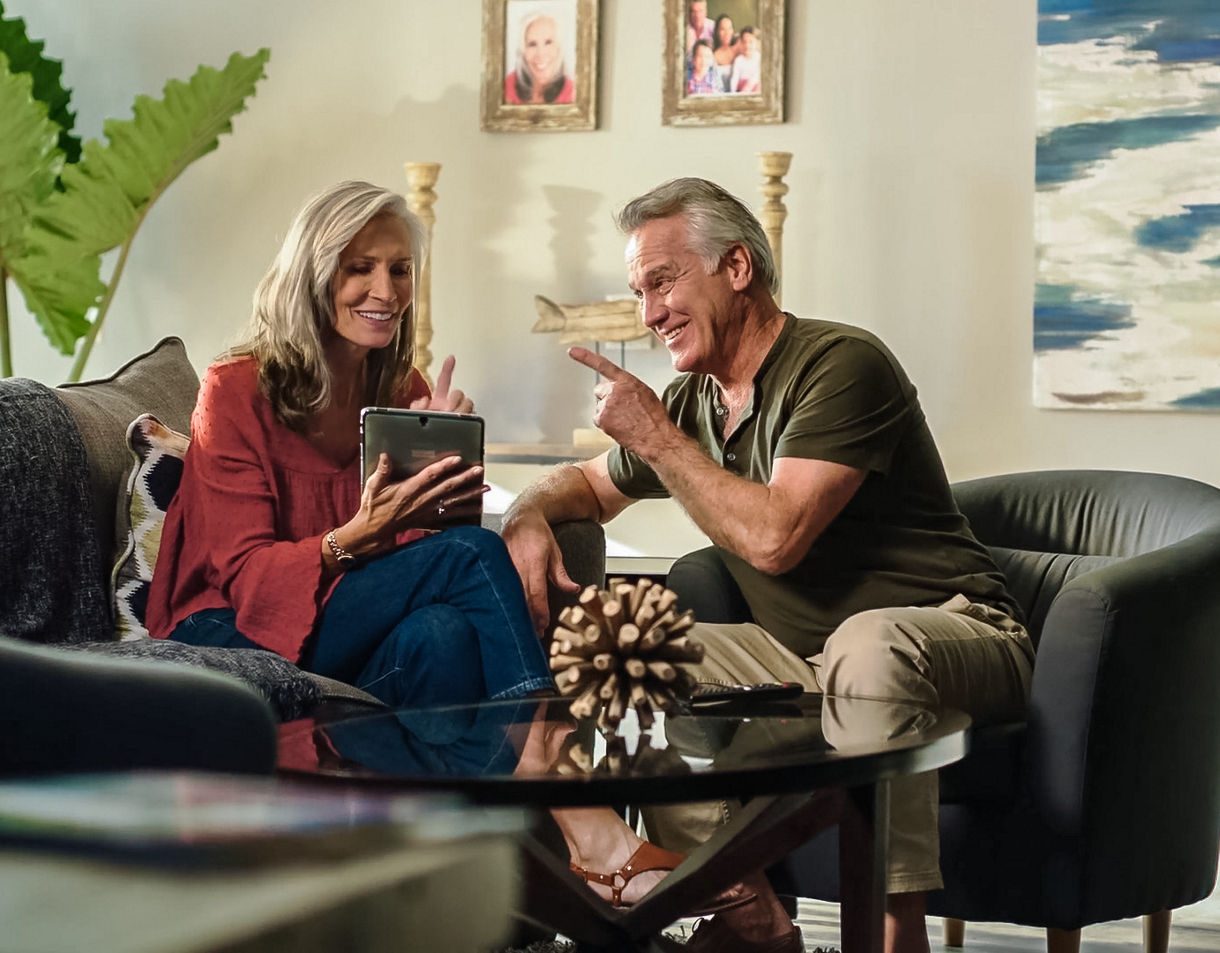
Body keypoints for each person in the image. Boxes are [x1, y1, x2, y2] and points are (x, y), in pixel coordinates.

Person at [500, 177, 1035, 953]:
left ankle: (890, 935)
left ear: (738, 268)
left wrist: (654, 436)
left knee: (869, 649)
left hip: (958, 632)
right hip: (800, 657)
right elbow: (586, 483)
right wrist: (526, 513)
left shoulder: (842, 364)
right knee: (617, 647)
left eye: (662, 280)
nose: (648, 312)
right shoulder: (693, 405)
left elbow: (775, 538)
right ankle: (743, 911)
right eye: (638, 290)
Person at [146, 180, 554, 710]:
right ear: (312, 279)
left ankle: (441, 792)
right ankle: (550, 754)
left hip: (340, 613)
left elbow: (419, 557)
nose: (386, 291)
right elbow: (247, 576)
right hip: (226, 621)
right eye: (360, 268)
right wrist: (355, 536)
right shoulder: (235, 390)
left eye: (399, 269)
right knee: (473, 554)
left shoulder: (406, 390)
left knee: (441, 632)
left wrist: (441, 476)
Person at [504, 11, 575, 105]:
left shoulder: (573, 93)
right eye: (532, 44)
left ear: (559, 48)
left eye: (548, 42)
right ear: (523, 51)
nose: (540, 54)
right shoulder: (508, 86)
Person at [729, 26, 762, 93]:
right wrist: (733, 92)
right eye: (744, 42)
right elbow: (735, 78)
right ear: (740, 43)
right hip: (741, 89)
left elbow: (756, 76)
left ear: (756, 43)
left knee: (759, 85)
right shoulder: (739, 60)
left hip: (754, 87)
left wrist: (747, 89)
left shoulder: (758, 57)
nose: (747, 45)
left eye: (750, 42)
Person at [711, 14, 738, 92]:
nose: (727, 33)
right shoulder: (713, 56)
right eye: (722, 29)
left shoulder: (738, 49)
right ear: (717, 32)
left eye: (729, 28)